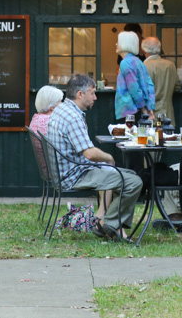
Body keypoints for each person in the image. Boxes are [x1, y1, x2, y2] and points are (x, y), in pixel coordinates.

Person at [48, 73, 143, 242]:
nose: (95, 97)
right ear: (80, 94)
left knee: (127, 175)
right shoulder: (73, 117)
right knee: (134, 181)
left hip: (69, 170)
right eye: (92, 93)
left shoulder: (62, 109)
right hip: (75, 174)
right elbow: (90, 153)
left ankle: (104, 220)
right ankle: (110, 223)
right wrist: (108, 158)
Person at [114, 31, 155, 122]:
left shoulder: (125, 62)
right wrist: (149, 107)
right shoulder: (138, 61)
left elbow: (134, 89)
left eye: (119, 41)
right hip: (137, 111)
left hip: (129, 112)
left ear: (125, 43)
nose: (116, 44)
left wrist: (143, 109)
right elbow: (149, 85)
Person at [141, 36, 180, 122]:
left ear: (144, 51)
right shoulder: (170, 65)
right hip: (168, 115)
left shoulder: (144, 66)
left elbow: (142, 93)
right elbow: (177, 87)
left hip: (151, 116)